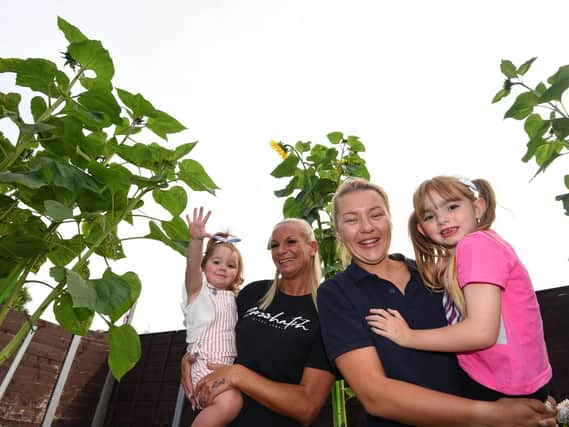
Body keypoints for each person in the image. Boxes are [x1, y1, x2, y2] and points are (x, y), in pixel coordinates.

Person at [317, 177, 557, 427]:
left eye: (376, 215)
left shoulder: (432, 275)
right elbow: (376, 396)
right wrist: (494, 414)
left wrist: (526, 395)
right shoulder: (336, 294)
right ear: (338, 233)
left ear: (390, 220)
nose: (366, 227)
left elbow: (501, 325)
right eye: (352, 220)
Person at [366, 175, 552, 403]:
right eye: (430, 216)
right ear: (422, 229)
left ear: (478, 207)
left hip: (503, 385)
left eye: (452, 207)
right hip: (511, 378)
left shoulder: (476, 245)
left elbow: (481, 332)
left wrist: (408, 336)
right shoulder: (475, 249)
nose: (442, 219)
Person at [181, 218, 336, 427]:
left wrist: (238, 376)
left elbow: (306, 407)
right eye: (274, 245)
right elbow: (214, 325)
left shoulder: (326, 315)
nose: (281, 250)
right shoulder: (253, 294)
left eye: (291, 242)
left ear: (312, 248)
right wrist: (190, 356)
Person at [182, 207, 244, 426]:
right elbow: (191, 268)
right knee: (231, 403)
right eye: (216, 262)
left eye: (230, 265)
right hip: (204, 366)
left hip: (226, 368)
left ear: (238, 272)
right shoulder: (198, 293)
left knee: (233, 406)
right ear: (204, 265)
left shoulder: (235, 299)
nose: (222, 268)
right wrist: (197, 241)